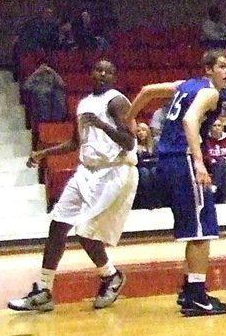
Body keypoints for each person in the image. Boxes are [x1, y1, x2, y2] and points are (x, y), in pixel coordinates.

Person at [8, 60, 137, 313]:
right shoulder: (84, 103)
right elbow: (75, 142)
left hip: (112, 171)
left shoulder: (117, 101)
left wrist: (102, 124)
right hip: (86, 171)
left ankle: (111, 275)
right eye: (99, 69)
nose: (103, 74)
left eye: (108, 71)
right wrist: (43, 152)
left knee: (85, 231)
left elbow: (130, 142)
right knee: (58, 225)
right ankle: (44, 290)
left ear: (114, 76)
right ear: (91, 72)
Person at [127, 48, 226, 316]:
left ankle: (189, 291)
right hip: (184, 160)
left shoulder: (183, 85)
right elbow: (189, 120)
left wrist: (129, 117)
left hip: (168, 161)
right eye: (222, 66)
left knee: (192, 226)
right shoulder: (210, 92)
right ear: (208, 69)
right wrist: (199, 161)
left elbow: (147, 91)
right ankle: (198, 296)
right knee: (202, 229)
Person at [203, 117, 226, 203]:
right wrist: (211, 160)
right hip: (211, 166)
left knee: (222, 163)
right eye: (214, 125)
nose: (217, 128)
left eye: (219, 125)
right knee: (222, 166)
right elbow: (205, 155)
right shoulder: (206, 141)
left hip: (224, 164)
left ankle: (215, 184)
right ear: (211, 128)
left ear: (222, 128)